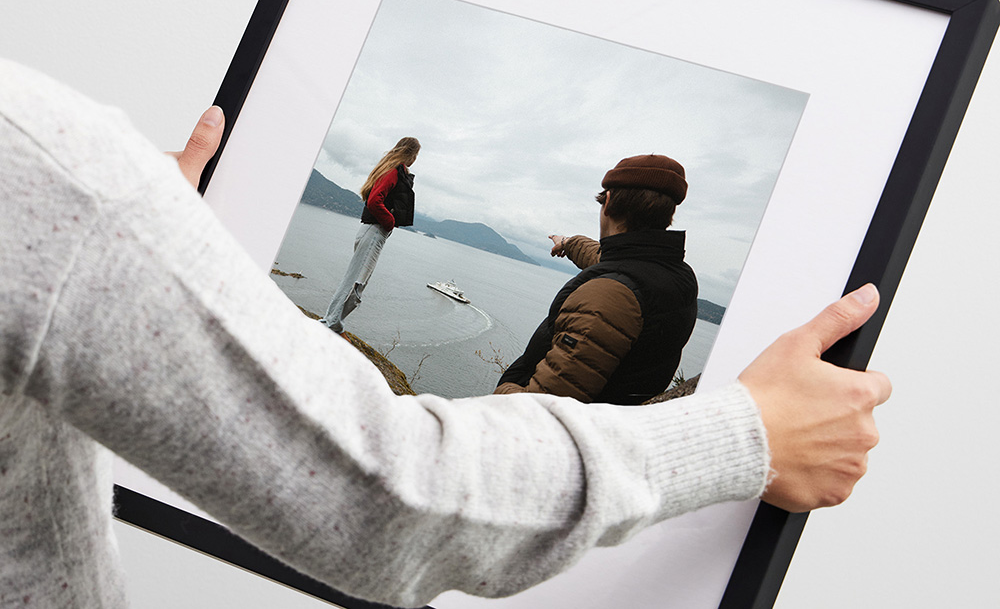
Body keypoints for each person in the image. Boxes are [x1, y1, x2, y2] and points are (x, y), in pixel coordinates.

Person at [0, 60, 890, 608]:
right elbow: (389, 496)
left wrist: (129, 239)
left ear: (609, 204)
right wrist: (746, 433)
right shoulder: (677, 280)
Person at [496, 154, 697, 404]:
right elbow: (609, 260)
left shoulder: (607, 298)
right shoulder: (673, 273)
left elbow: (541, 409)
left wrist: (502, 391)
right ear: (667, 213)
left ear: (609, 202)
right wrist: (568, 243)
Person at [320, 137, 420, 333]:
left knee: (356, 282)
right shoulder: (393, 172)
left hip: (371, 231)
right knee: (355, 283)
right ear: (411, 153)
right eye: (416, 155)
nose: (416, 159)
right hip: (374, 231)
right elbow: (375, 201)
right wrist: (390, 221)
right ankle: (330, 324)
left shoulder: (389, 170)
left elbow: (374, 198)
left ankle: (334, 323)